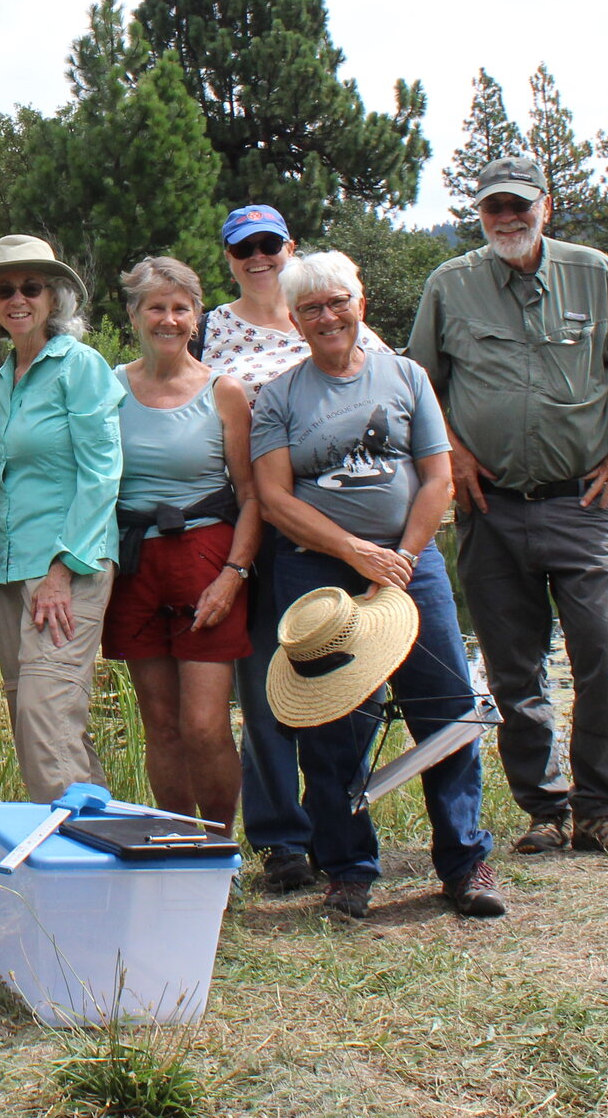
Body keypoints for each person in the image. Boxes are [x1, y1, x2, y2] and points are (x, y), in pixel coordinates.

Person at [407, 154, 608, 859]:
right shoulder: (451, 284)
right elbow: (418, 383)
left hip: (583, 503)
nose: (507, 218)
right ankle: (544, 809)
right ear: (479, 215)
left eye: (518, 205)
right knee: (512, 667)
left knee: (603, 650)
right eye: (492, 208)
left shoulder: (595, 274)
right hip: (489, 507)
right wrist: (456, 455)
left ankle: (602, 808)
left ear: (547, 205)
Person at [250, 250, 503, 921]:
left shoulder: (407, 377)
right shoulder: (278, 396)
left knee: (447, 709)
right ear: (296, 320)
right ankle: (348, 867)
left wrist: (403, 557)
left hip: (409, 566)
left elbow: (437, 478)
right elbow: (275, 498)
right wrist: (355, 551)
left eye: (337, 301)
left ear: (360, 302)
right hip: (318, 572)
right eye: (311, 308)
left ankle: (464, 860)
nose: (327, 316)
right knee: (331, 721)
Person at [201, 204, 385, 897]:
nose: (258, 257)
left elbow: (390, 388)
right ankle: (282, 837)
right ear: (228, 257)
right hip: (253, 526)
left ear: (290, 246)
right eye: (243, 247)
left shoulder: (329, 310)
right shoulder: (213, 328)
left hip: (338, 529)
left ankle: (340, 822)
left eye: (269, 243)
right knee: (267, 688)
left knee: (343, 681)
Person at [107, 256, 259, 834]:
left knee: (203, 724)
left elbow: (250, 495)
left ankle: (220, 843)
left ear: (197, 318)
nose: (167, 319)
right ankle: (176, 840)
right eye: (155, 307)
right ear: (134, 315)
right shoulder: (109, 387)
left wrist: (234, 574)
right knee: (162, 724)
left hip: (205, 559)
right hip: (135, 563)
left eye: (180, 308)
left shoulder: (225, 393)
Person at [0, 235, 121, 803]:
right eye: (3, 289)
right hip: (9, 567)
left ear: (53, 299)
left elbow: (102, 472)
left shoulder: (80, 365)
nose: (16, 298)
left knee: (45, 713)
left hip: (67, 565)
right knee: (37, 719)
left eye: (30, 287)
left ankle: (73, 871)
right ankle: (107, 852)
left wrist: (63, 569)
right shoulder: (5, 376)